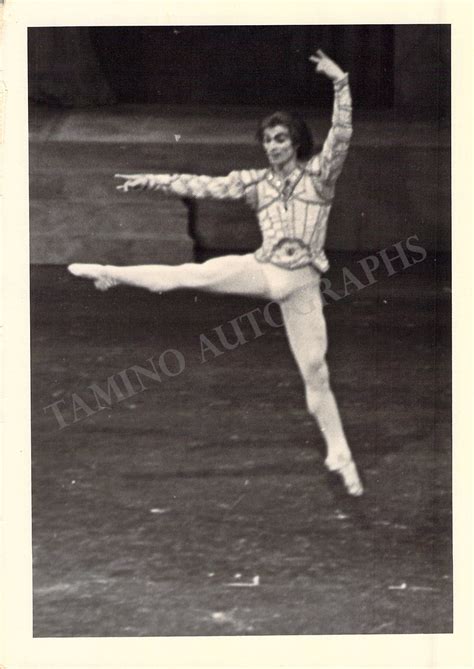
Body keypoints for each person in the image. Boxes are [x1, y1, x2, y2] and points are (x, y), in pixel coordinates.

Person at [68, 49, 363, 496]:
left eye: (280, 138)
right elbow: (202, 184)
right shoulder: (255, 181)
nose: (273, 146)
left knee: (315, 371)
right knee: (191, 274)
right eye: (267, 140)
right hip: (262, 270)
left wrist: (340, 82)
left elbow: (341, 136)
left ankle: (339, 452)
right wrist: (151, 179)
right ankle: (109, 272)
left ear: (296, 142)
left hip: (301, 283)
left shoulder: (320, 176)